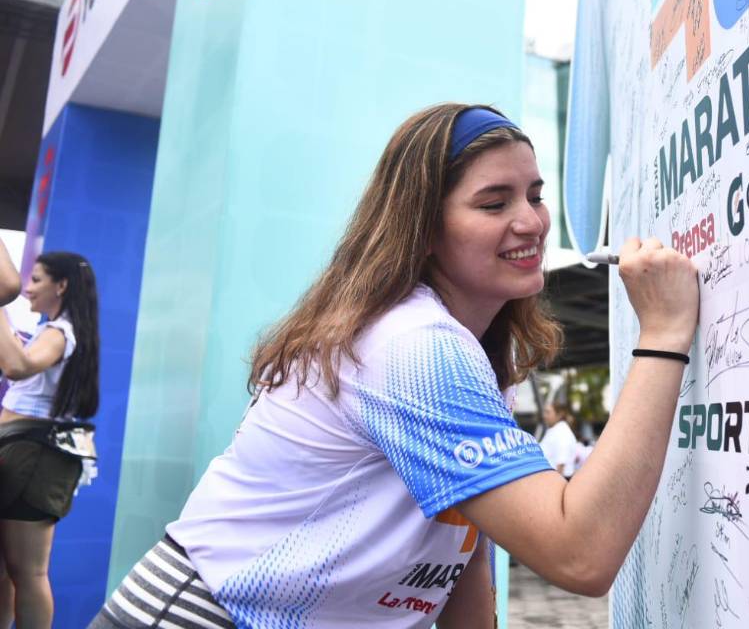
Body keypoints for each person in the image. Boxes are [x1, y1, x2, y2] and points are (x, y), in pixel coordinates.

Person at [93, 103, 699, 628]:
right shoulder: (414, 348)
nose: (531, 221)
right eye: (494, 202)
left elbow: (464, 551)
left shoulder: (474, 355)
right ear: (424, 229)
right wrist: (664, 332)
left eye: (536, 196)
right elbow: (580, 553)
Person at [0, 250, 101, 629]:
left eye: (37, 280)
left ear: (62, 286)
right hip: (22, 448)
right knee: (8, 571)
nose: (28, 289)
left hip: (34, 453)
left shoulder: (60, 333)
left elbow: (17, 366)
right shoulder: (53, 331)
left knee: (28, 572)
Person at [538, 400, 579, 478]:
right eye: (544, 412)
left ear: (559, 415)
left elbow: (561, 463)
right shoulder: (554, 430)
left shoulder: (562, 433)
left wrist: (554, 484)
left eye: (548, 412)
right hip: (551, 478)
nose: (544, 416)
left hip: (557, 479)